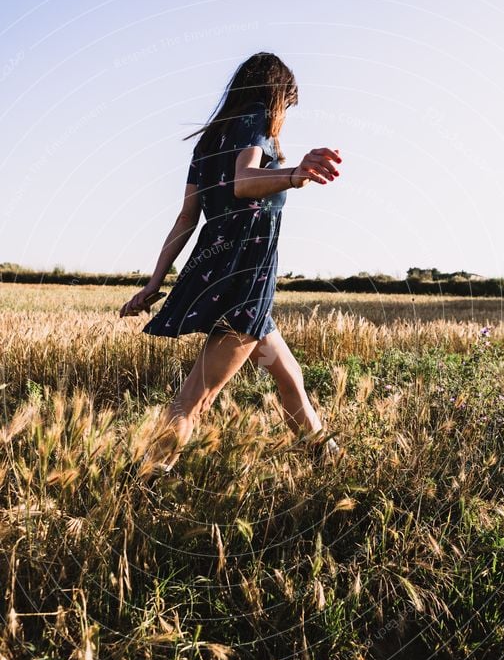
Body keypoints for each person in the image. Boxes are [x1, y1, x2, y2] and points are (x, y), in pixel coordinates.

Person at [119, 51, 342, 473]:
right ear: (275, 96)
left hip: (221, 272)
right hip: (243, 280)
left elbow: (186, 218)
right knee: (195, 399)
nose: (284, 118)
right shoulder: (256, 122)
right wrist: (294, 174)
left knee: (288, 377)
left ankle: (329, 462)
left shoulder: (209, 140)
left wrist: (154, 283)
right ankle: (141, 480)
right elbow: (243, 182)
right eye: (287, 107)